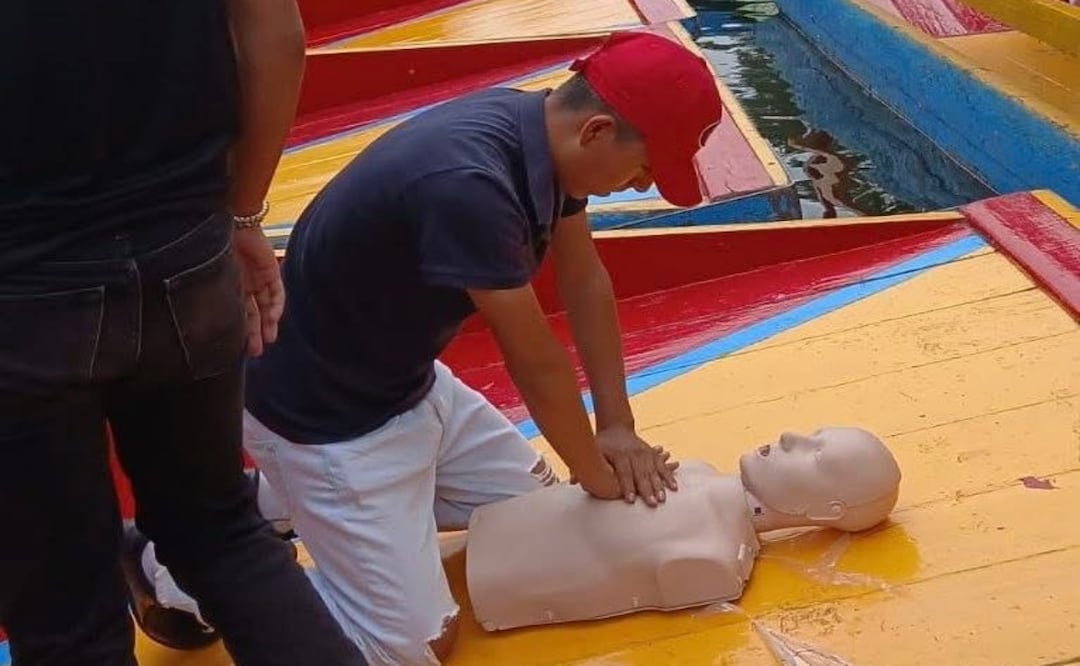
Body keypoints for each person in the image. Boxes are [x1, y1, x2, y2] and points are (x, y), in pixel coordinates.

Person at [129, 29, 725, 666]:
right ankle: (184, 570)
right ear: (598, 132)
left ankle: (250, 511)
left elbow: (584, 281)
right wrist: (596, 474)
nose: (638, 188)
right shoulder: (470, 183)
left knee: (531, 515)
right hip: (327, 420)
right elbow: (533, 356)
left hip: (403, 381)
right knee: (413, 646)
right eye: (643, 169)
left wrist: (615, 426)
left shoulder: (543, 137)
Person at [0, 0, 367, 664]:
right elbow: (278, 37)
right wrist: (243, 212)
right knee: (222, 534)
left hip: (25, 286)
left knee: (64, 614)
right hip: (187, 245)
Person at [466, 426, 902, 630]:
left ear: (828, 510)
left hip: (483, 585)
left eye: (817, 457)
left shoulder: (709, 556)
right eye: (813, 433)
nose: (790, 437)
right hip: (486, 527)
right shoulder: (697, 473)